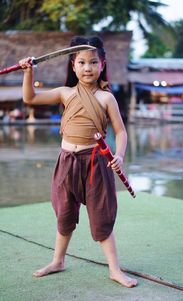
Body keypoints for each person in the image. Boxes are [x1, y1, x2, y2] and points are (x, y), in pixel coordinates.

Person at [19, 36, 137, 288]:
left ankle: (114, 269)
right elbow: (30, 98)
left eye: (93, 62)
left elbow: (121, 132)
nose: (87, 68)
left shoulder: (107, 98)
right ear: (73, 65)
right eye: (81, 62)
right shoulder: (65, 93)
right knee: (64, 215)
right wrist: (28, 72)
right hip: (66, 163)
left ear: (102, 64)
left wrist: (120, 155)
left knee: (102, 217)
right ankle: (57, 261)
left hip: (96, 163)